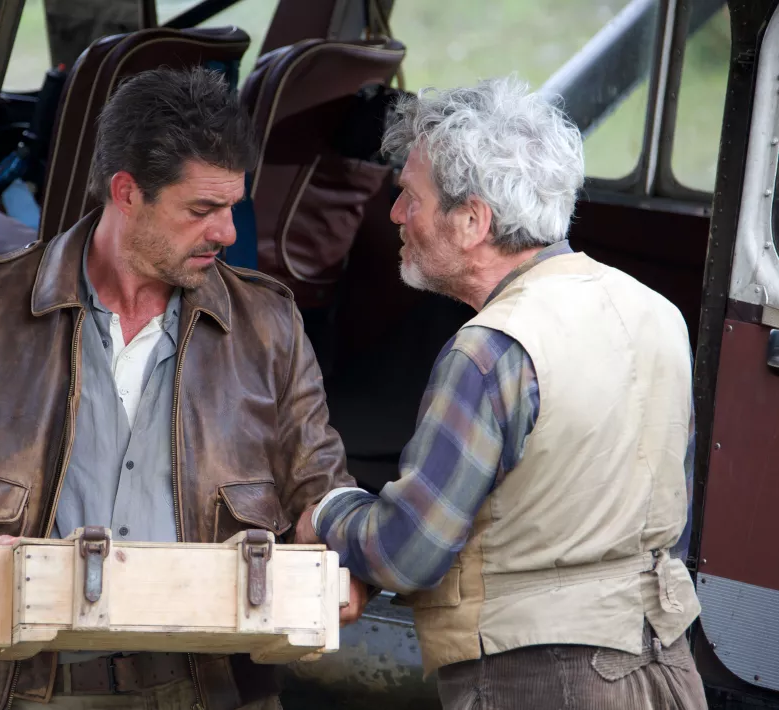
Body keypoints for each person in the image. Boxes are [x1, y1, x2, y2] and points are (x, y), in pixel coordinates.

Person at [0, 66, 365, 710]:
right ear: (126, 192)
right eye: (201, 210)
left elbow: (322, 489)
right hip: (31, 690)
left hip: (212, 689)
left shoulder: (269, 323)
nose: (227, 232)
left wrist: (352, 558)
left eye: (231, 207)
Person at [295, 76, 707, 709]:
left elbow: (409, 552)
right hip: (667, 667)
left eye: (410, 196)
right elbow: (669, 516)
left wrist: (328, 514)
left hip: (539, 681)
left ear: (472, 220)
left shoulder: (491, 349)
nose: (396, 214)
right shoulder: (657, 312)